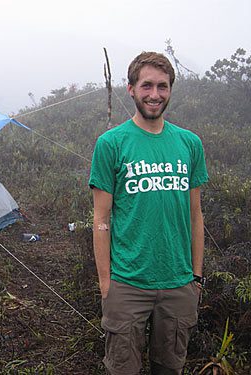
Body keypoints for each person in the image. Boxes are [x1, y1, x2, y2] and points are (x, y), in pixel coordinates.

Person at [89, 51, 208, 375]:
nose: (155, 94)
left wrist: (195, 278)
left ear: (170, 90)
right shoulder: (111, 144)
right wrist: (106, 286)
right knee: (123, 369)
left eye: (162, 86)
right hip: (127, 284)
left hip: (178, 283)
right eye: (147, 86)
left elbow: (195, 216)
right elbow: (101, 220)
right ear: (131, 89)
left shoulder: (190, 144)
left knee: (169, 368)